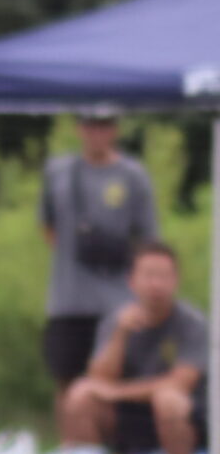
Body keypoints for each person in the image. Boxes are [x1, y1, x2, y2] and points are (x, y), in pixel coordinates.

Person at [61, 239, 207, 454]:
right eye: (149, 275)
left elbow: (180, 382)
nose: (156, 284)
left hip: (182, 419)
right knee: (80, 396)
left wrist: (116, 392)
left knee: (168, 400)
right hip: (128, 417)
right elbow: (98, 379)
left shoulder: (193, 323)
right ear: (131, 281)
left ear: (176, 280)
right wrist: (120, 335)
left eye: (163, 276)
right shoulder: (117, 321)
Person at [40, 112, 156, 409]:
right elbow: (48, 227)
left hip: (118, 303)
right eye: (90, 125)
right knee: (67, 382)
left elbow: (148, 241)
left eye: (104, 125)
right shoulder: (58, 172)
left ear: (115, 129)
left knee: (113, 384)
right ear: (79, 128)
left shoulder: (133, 176)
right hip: (68, 300)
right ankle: (71, 439)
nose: (97, 133)